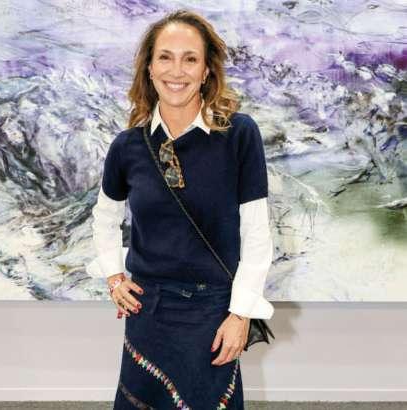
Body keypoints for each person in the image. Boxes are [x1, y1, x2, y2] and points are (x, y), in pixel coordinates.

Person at [90, 9, 274, 410]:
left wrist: (240, 315)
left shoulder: (239, 134)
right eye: (165, 57)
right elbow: (104, 217)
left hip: (213, 314)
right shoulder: (128, 146)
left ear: (206, 70)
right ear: (150, 68)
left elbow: (257, 233)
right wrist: (114, 277)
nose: (177, 71)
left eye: (190, 59)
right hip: (149, 311)